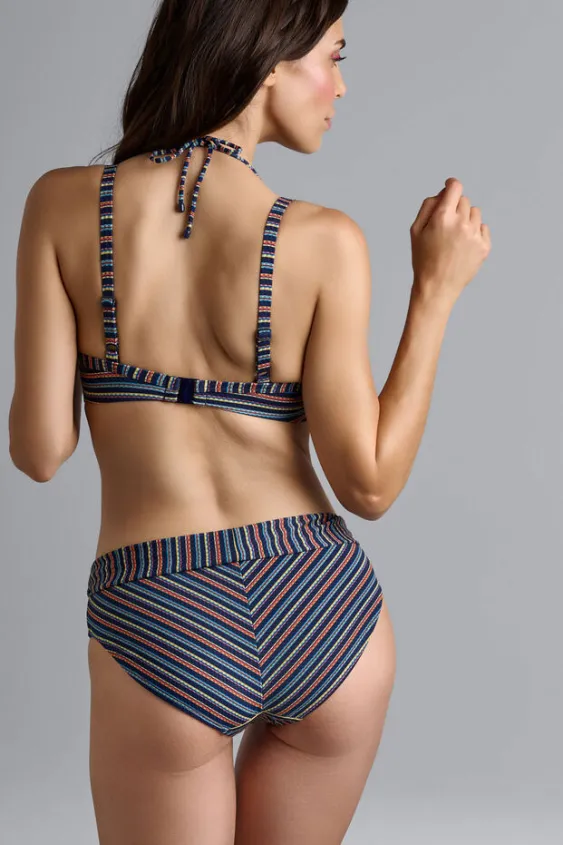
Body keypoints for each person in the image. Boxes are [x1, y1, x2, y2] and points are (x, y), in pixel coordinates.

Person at [9, 0, 491, 842]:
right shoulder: (324, 240)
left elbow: (41, 450)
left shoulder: (61, 205)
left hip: (162, 606)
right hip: (320, 601)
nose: (340, 86)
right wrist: (434, 291)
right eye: (334, 57)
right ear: (269, 60)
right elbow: (369, 487)